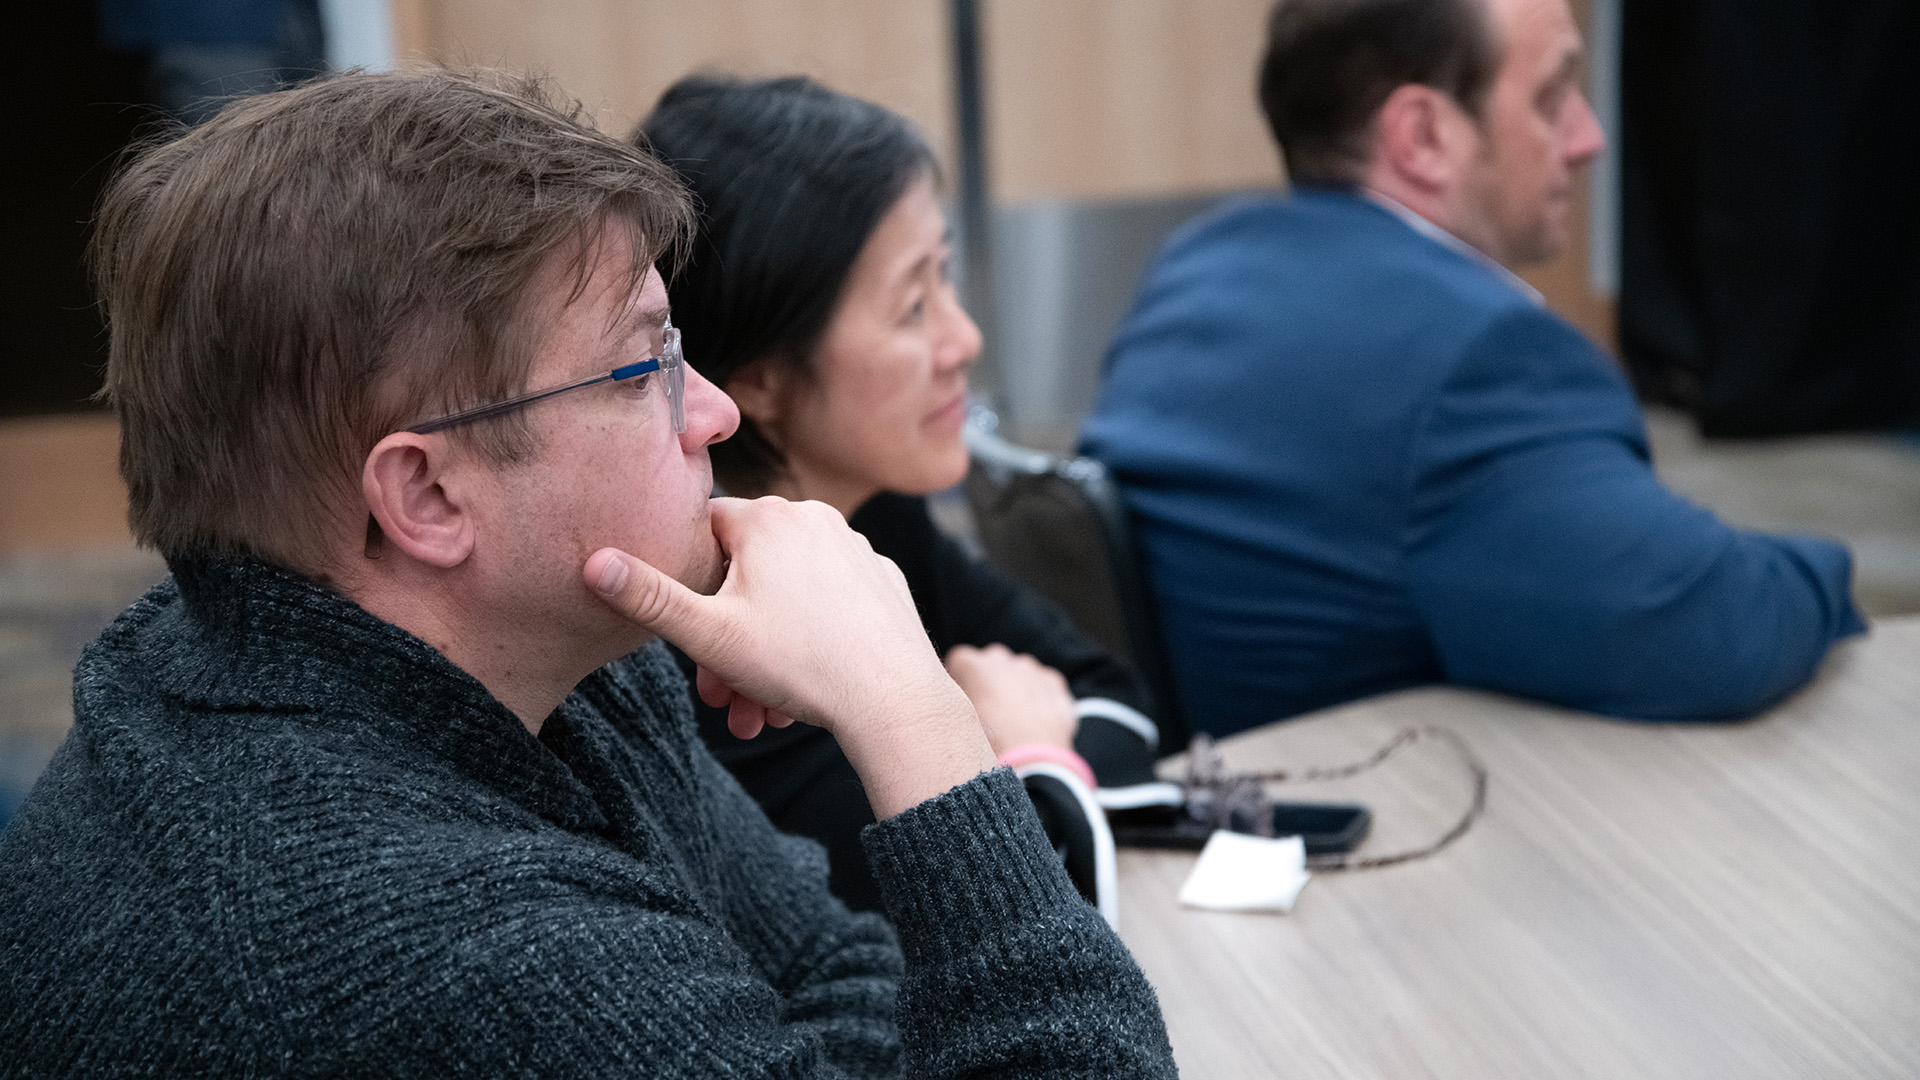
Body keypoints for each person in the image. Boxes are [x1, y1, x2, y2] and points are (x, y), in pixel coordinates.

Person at [0, 69, 1175, 1077]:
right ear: (427, 495)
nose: (712, 412)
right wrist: (915, 715)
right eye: (643, 365)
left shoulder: (542, 656)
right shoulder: (455, 950)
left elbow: (833, 966)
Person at [1080, 0, 1866, 738]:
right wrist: (1832, 568)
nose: (1588, 138)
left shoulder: (1197, 263)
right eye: (1552, 97)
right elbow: (1717, 631)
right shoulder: (1477, 359)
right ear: (1423, 136)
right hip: (1379, 803)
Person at [636, 75, 1165, 915]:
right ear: (759, 380)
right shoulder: (708, 641)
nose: (965, 339)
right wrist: (1022, 752)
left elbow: (1118, 701)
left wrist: (985, 765)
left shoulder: (873, 511)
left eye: (946, 279)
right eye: (914, 304)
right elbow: (986, 924)